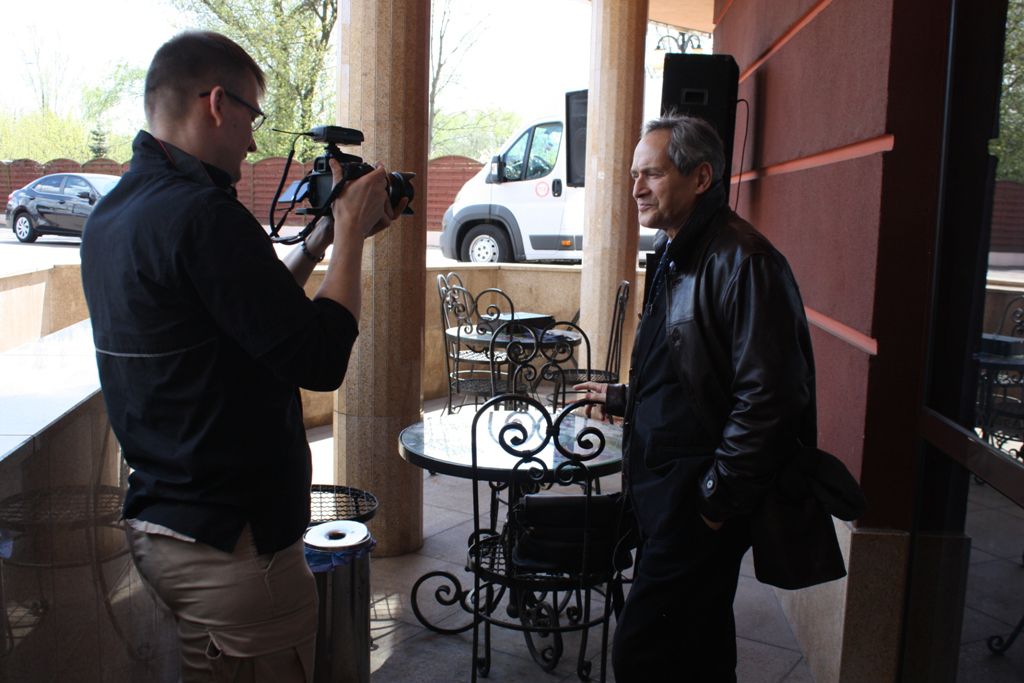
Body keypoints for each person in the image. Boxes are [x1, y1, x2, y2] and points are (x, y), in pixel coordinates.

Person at [80, 31, 405, 682]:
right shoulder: (204, 215)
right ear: (217, 103)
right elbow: (319, 357)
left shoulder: (115, 214)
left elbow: (245, 311)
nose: (254, 143)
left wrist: (317, 240)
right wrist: (350, 236)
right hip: (232, 547)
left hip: (165, 522)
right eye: (253, 118)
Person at [575, 114, 824, 682]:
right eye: (634, 175)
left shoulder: (745, 260)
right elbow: (696, 369)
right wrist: (628, 398)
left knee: (642, 653)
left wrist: (716, 501)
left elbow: (771, 400)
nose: (637, 189)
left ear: (701, 177)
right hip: (666, 494)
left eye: (652, 174)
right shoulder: (679, 249)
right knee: (700, 647)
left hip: (695, 502)